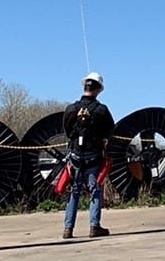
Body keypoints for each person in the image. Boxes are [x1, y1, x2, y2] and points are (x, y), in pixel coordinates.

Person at [62, 72, 116, 239]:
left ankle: (68, 229)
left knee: (74, 191)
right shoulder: (102, 110)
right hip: (93, 157)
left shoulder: (71, 109)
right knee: (95, 190)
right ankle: (94, 226)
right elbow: (110, 130)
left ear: (84, 86)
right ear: (99, 89)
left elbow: (67, 130)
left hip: (76, 157)